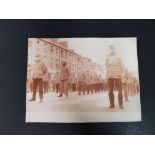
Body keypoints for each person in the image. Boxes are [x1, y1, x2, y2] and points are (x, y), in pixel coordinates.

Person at [106, 45, 124, 109]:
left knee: (120, 91)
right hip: (110, 75)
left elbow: (122, 66)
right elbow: (106, 65)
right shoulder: (107, 56)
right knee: (110, 91)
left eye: (113, 48)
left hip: (117, 75)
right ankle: (112, 104)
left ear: (115, 49)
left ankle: (120, 105)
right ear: (109, 49)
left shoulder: (119, 56)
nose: (112, 49)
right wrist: (107, 73)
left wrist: (120, 73)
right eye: (110, 48)